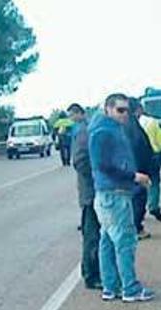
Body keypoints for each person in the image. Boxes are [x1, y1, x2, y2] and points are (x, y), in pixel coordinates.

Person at [88, 93, 154, 302]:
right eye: (120, 110)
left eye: (127, 110)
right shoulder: (103, 132)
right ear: (108, 109)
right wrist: (133, 176)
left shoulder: (112, 130)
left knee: (107, 240)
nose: (125, 114)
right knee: (125, 241)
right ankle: (130, 288)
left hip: (111, 194)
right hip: (114, 194)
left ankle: (111, 286)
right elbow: (103, 165)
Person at [67, 103, 100, 290]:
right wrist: (99, 177)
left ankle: (95, 272)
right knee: (92, 235)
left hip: (94, 191)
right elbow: (80, 161)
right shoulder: (83, 132)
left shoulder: (86, 129)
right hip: (91, 193)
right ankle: (91, 274)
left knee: (97, 234)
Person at [125, 97, 155, 240]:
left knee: (134, 200)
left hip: (132, 169)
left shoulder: (127, 125)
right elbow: (140, 148)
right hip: (137, 170)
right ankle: (136, 228)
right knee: (138, 199)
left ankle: (135, 227)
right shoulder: (132, 126)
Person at [138, 104, 161, 222]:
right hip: (153, 155)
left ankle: (140, 211)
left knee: (139, 184)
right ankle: (153, 205)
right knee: (154, 182)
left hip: (137, 157)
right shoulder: (152, 122)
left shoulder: (127, 124)